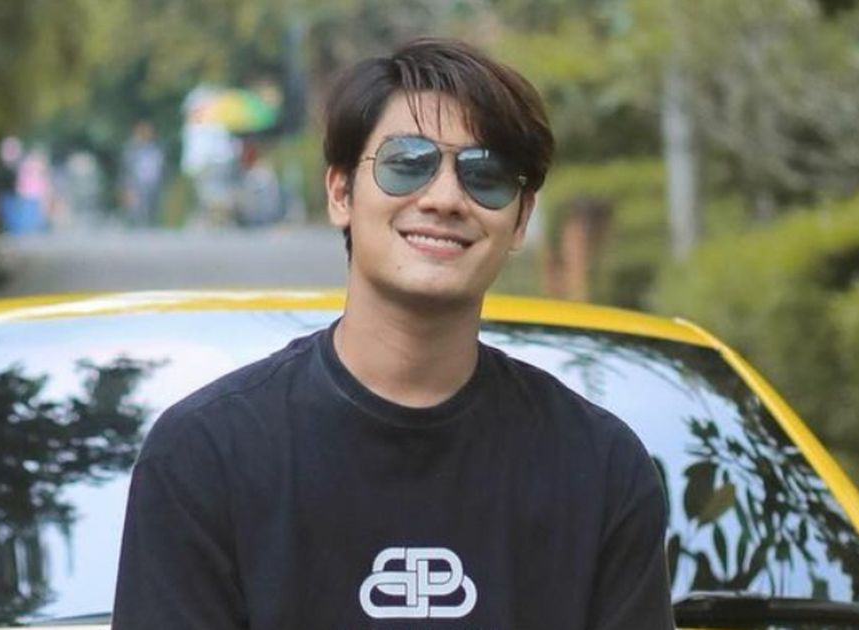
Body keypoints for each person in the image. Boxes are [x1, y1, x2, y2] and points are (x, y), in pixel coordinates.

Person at [112, 38, 675, 629]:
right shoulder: (204, 456)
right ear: (340, 193)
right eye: (408, 163)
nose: (445, 199)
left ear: (520, 220)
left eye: (485, 176)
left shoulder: (601, 468)